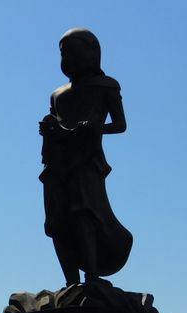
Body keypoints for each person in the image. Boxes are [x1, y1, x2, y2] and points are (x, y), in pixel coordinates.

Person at [38, 28, 133, 286]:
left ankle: (91, 275)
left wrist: (94, 128)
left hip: (86, 161)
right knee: (56, 221)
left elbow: (120, 125)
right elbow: (56, 124)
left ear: (92, 52)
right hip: (56, 163)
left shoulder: (106, 86)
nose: (68, 57)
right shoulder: (57, 94)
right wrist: (49, 129)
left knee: (85, 214)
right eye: (63, 53)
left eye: (73, 50)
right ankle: (71, 282)